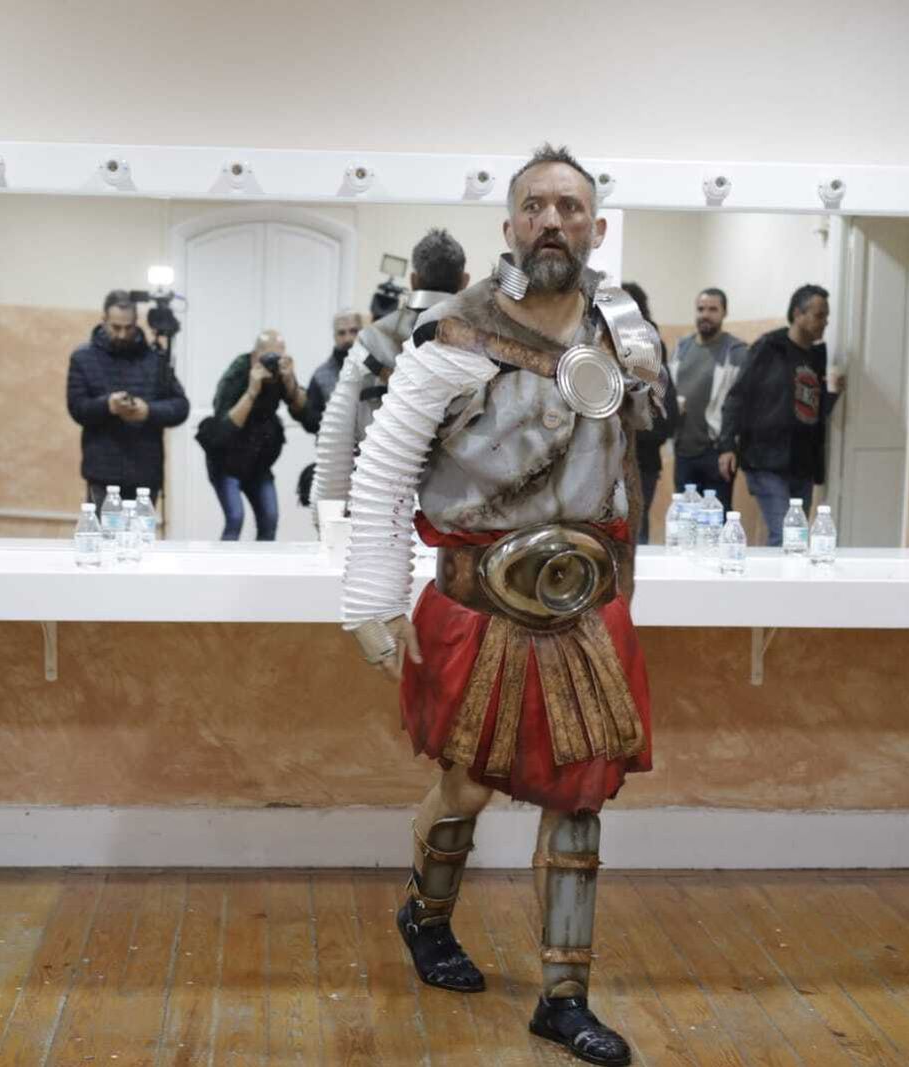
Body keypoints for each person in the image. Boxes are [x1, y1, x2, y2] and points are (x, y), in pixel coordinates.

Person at [342, 144, 663, 1066]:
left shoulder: (621, 330)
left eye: (570, 207)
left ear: (596, 229)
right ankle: (426, 914)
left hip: (582, 606)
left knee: (582, 795)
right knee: (467, 785)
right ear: (510, 225)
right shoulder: (455, 336)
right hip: (477, 605)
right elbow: (384, 471)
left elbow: (636, 452)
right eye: (535, 207)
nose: (552, 221)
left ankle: (565, 995)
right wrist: (371, 597)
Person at [310, 229, 468, 514]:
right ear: (464, 281)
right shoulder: (491, 342)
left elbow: (335, 441)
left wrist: (327, 521)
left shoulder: (372, 340)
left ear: (414, 280)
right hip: (461, 508)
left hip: (382, 504)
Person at [724, 283, 845, 545]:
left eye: (826, 316)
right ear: (798, 314)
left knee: (796, 537)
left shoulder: (816, 356)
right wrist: (727, 445)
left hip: (802, 462)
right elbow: (737, 395)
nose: (825, 322)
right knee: (785, 536)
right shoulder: (769, 348)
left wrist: (833, 393)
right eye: (819, 315)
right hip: (765, 459)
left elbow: (814, 411)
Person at [66, 290, 190, 514]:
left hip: (145, 471)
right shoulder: (83, 358)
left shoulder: (155, 358)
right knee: (104, 543)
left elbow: (180, 407)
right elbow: (77, 408)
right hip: (102, 472)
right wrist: (108, 406)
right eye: (115, 327)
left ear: (136, 322)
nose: (122, 334)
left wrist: (148, 411)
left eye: (128, 327)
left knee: (140, 543)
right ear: (103, 321)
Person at [204, 329, 312, 540]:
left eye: (277, 358)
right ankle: (224, 570)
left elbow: (306, 415)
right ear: (255, 356)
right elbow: (223, 430)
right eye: (267, 358)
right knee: (235, 517)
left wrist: (290, 381)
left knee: (270, 517)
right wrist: (252, 390)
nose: (272, 364)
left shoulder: (281, 373)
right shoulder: (236, 373)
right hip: (226, 461)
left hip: (257, 462)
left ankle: (264, 570)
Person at [671, 287, 748, 508]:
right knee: (685, 522)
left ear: (724, 313)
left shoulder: (736, 351)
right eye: (701, 309)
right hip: (683, 450)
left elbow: (741, 404)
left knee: (717, 521)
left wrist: (730, 447)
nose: (705, 314)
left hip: (716, 452)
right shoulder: (682, 348)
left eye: (713, 309)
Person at [620, 282, 678, 543]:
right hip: (640, 455)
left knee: (635, 527)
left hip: (640, 454)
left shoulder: (647, 356)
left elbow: (663, 416)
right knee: (634, 525)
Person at [303, 309, 363, 432]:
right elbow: (310, 422)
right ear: (334, 336)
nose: (348, 339)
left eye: (353, 331)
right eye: (341, 333)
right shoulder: (320, 376)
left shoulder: (378, 369)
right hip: (334, 447)